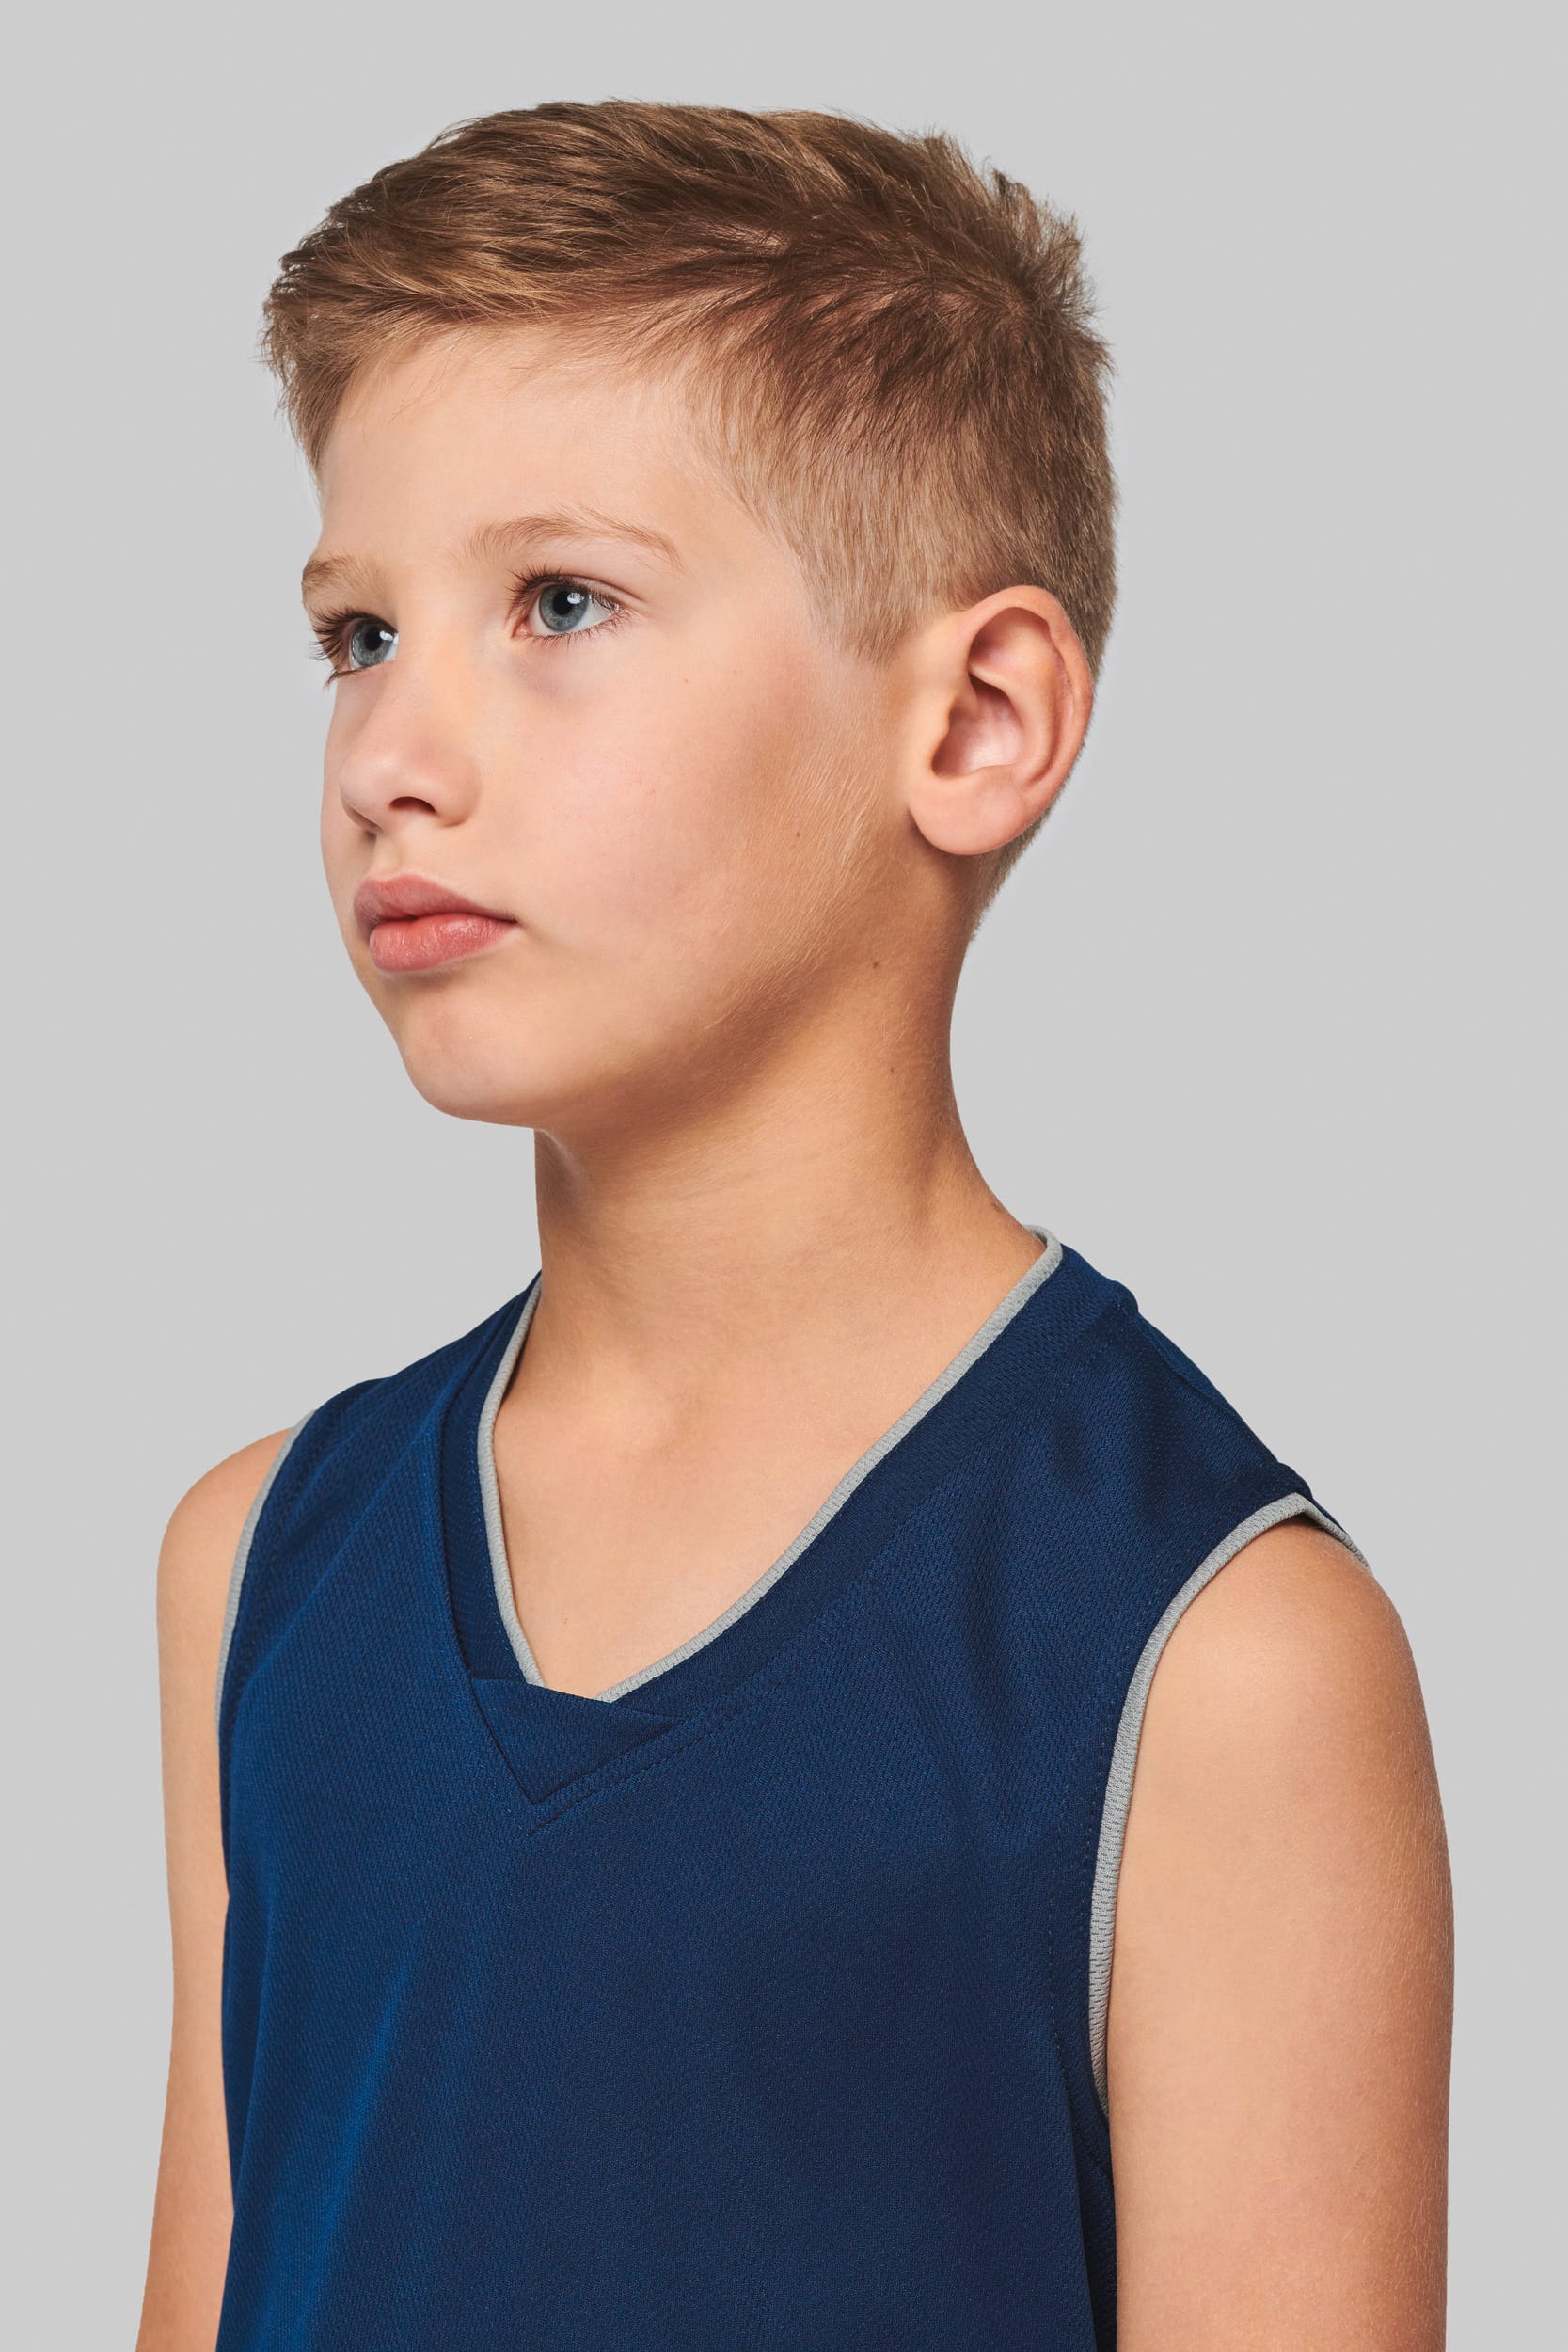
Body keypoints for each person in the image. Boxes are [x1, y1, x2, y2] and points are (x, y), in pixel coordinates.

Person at [136, 100, 1452, 2351]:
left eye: (560, 604)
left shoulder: (1217, 1657)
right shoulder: (257, 1563)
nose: (386, 757)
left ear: (980, 717)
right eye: (357, 632)